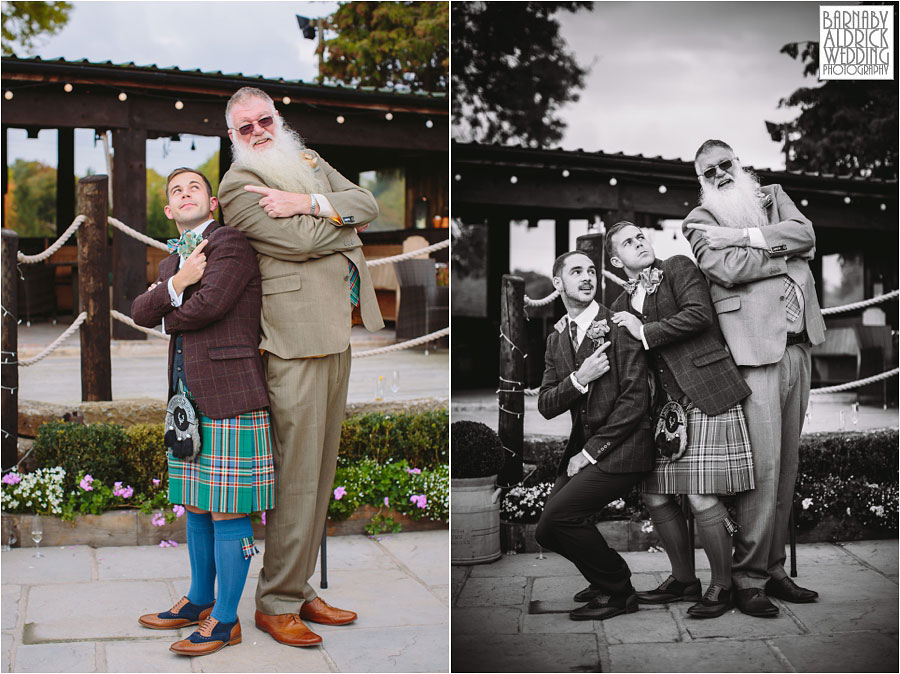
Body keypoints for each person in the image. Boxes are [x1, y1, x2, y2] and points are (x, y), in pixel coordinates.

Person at [217, 87, 384, 647]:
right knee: (296, 475)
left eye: (265, 119)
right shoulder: (238, 187)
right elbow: (295, 244)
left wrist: (312, 203)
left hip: (336, 330)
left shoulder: (307, 162)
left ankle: (299, 584)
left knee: (320, 471)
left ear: (278, 118)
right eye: (246, 127)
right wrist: (336, 222)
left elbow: (368, 202)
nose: (259, 131)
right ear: (233, 136)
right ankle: (276, 602)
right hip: (291, 340)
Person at [132, 168, 274, 656]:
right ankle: (197, 602)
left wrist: (170, 298)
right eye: (176, 191)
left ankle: (227, 621)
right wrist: (179, 279)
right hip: (185, 401)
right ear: (169, 211)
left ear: (211, 203)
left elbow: (209, 304)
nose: (185, 193)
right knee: (194, 501)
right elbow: (136, 311)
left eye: (195, 187)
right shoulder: (171, 261)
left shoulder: (230, 243)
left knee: (228, 507)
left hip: (231, 391)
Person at [682, 139, 826, 617]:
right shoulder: (700, 221)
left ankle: (777, 570)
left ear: (739, 164)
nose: (721, 174)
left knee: (787, 469)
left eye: (727, 164)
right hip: (753, 354)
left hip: (798, 346)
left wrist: (749, 237)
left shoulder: (773, 195)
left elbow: (806, 234)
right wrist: (782, 253)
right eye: (710, 171)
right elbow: (722, 267)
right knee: (761, 471)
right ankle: (747, 580)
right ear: (701, 180)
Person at [607, 221, 754, 619]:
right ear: (616, 260)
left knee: (701, 495)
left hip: (705, 391)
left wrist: (645, 331)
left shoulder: (677, 267)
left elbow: (700, 315)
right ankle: (682, 579)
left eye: (641, 236)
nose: (639, 242)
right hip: (664, 412)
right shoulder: (619, 305)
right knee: (655, 495)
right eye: (627, 242)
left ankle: (721, 586)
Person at [534, 250, 655, 621]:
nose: (587, 277)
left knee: (559, 518)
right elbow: (546, 403)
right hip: (588, 451)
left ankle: (618, 590)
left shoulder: (619, 326)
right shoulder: (557, 339)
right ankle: (602, 578)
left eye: (590, 271)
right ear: (558, 284)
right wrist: (578, 380)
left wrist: (588, 454)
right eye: (576, 272)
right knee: (546, 531)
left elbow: (636, 401)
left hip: (626, 447)